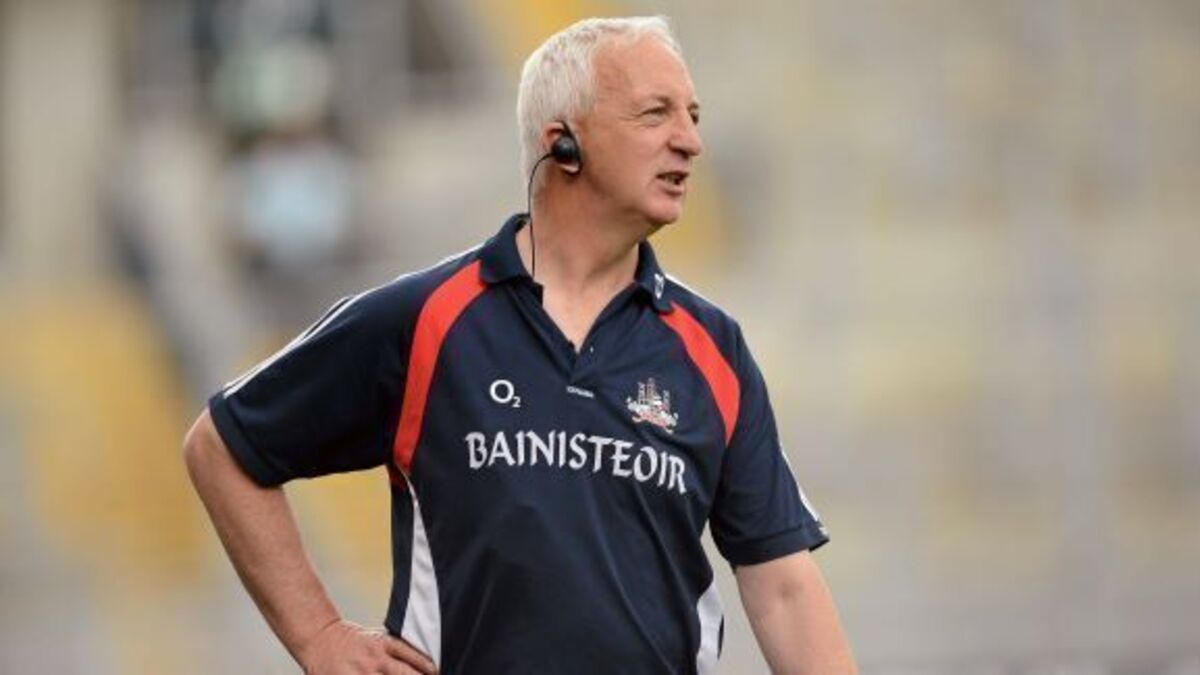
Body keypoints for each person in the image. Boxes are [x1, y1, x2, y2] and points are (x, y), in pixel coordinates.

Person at [184, 15, 857, 675]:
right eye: (656, 114)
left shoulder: (712, 347)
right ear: (563, 143)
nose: (690, 142)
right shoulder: (424, 318)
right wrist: (320, 636)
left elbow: (783, 586)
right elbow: (223, 447)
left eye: (693, 116)